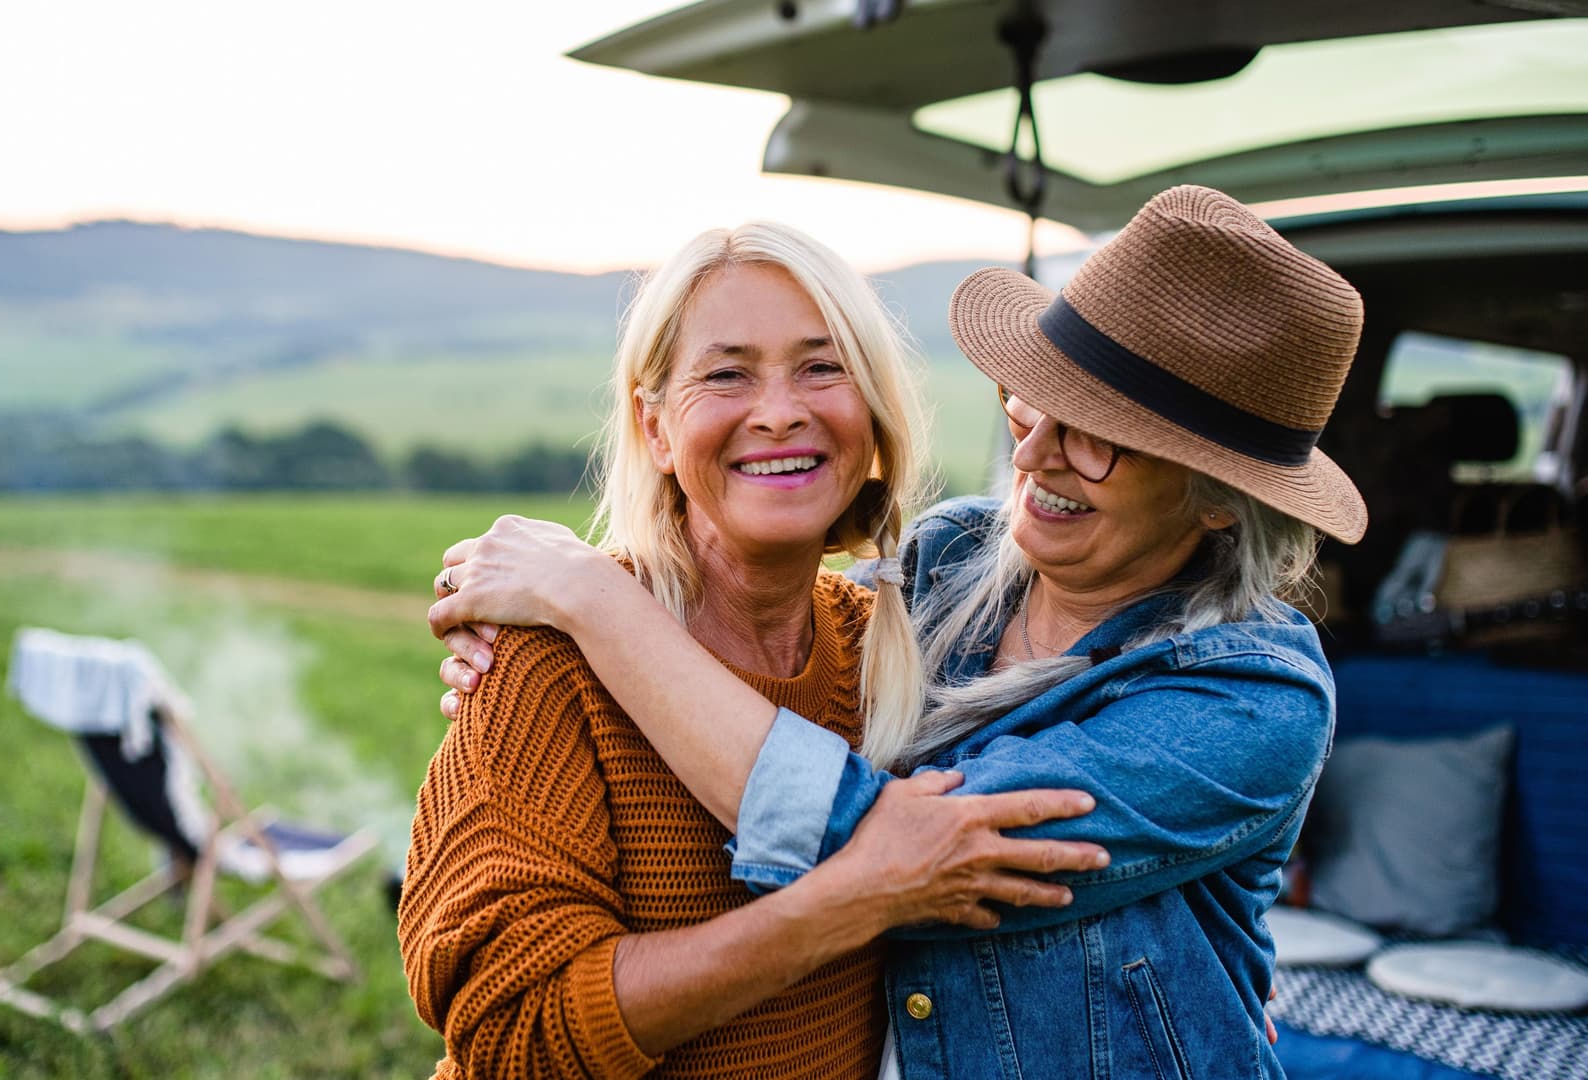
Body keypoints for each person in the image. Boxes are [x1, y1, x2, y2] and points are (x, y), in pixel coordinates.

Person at [429, 185, 1365, 1079]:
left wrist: (597, 602)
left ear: (1219, 499)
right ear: (654, 424)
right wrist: (564, 598)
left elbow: (893, 853)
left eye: (1098, 434)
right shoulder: (943, 565)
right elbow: (516, 1032)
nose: (1033, 454)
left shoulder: (1249, 699)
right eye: (1035, 400)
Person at [396, 222, 1108, 1080]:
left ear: (875, 411)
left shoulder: (892, 650)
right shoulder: (554, 654)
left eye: (822, 366)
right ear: (653, 426)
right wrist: (845, 904)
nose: (778, 413)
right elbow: (514, 1033)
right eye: (727, 374)